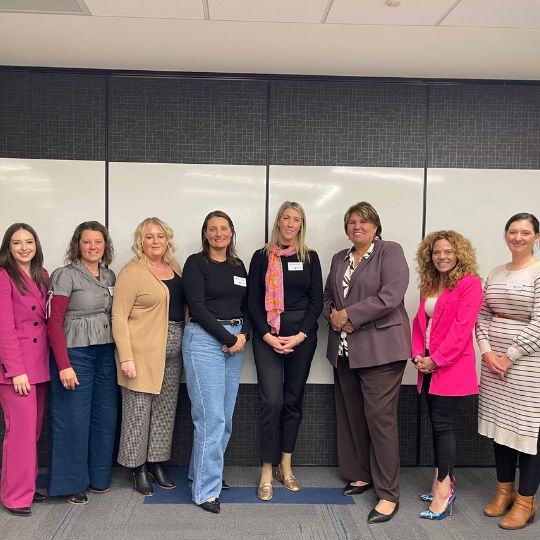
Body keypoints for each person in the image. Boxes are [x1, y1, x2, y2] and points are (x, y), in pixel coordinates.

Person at [323, 201, 410, 524]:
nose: (357, 226)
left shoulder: (390, 252)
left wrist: (350, 316)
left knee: (380, 420)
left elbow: (391, 295)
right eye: (351, 222)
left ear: (375, 225)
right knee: (352, 416)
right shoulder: (338, 258)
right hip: (345, 349)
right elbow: (327, 296)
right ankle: (360, 473)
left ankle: (389, 494)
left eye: (363, 221)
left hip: (381, 350)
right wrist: (333, 315)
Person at [247, 201, 323, 501]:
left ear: (301, 225)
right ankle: (267, 467)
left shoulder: (310, 257)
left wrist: (299, 336)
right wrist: (267, 336)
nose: (291, 224)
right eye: (286, 218)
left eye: (297, 219)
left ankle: (286, 466)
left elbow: (316, 300)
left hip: (301, 337)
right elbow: (252, 301)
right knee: (272, 401)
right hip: (267, 336)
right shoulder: (260, 256)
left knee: (293, 401)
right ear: (278, 222)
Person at [411, 230, 483, 520]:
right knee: (437, 425)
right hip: (427, 364)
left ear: (459, 254)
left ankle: (444, 492)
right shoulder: (430, 283)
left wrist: (436, 360)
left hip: (450, 367)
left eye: (448, 252)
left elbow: (462, 330)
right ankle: (440, 481)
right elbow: (419, 323)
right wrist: (418, 355)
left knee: (443, 427)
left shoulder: (470, 284)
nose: (441, 257)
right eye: (436, 252)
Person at [182, 210, 250, 514]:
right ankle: (206, 491)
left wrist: (243, 334)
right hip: (205, 340)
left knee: (224, 418)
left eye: (224, 228)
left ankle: (202, 475)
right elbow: (196, 306)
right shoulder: (196, 263)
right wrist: (227, 336)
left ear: (232, 232)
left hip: (235, 341)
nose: (219, 233)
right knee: (211, 419)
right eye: (212, 229)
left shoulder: (238, 265)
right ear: (205, 233)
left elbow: (248, 305)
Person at [476, 212, 540, 530]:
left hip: (528, 365)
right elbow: (482, 315)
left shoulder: (539, 271)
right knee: (502, 429)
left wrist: (509, 356)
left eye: (525, 233)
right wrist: (488, 353)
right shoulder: (496, 272)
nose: (518, 237)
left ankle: (526, 501)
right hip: (493, 366)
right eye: (513, 231)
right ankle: (504, 491)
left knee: (526, 432)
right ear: (505, 235)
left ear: (536, 238)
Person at [112, 217, 184, 497]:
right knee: (138, 412)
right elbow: (118, 315)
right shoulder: (132, 271)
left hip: (173, 352)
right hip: (141, 352)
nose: (156, 241)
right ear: (140, 241)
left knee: (165, 411)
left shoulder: (174, 268)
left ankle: (156, 462)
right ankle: (137, 467)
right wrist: (125, 357)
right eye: (149, 236)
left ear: (168, 239)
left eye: (161, 236)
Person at [47, 221, 117, 505]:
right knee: (73, 420)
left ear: (105, 245)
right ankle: (71, 484)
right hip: (75, 354)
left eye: (97, 242)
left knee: (105, 417)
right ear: (78, 245)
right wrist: (63, 364)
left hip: (105, 353)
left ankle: (99, 477)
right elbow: (53, 323)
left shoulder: (109, 275)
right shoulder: (65, 275)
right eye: (87, 242)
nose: (92, 247)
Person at [0, 224, 49, 516]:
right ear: (8, 246)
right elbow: (3, 328)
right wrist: (15, 370)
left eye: (29, 241)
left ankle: (24, 486)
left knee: (32, 433)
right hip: (16, 371)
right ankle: (16, 497)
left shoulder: (43, 275)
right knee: (19, 434)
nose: (23, 247)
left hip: (40, 364)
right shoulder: (4, 276)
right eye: (17, 242)